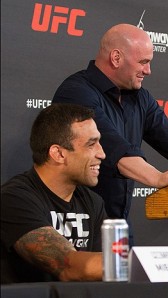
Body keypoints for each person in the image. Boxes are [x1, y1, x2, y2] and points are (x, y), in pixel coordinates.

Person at [52, 24, 168, 227]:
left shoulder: (140, 98)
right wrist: (157, 178)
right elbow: (112, 147)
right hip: (76, 224)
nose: (148, 71)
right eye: (143, 62)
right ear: (116, 58)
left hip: (118, 223)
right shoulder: (75, 92)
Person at [1, 103, 106, 283]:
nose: (102, 154)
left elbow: (107, 273)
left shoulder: (92, 201)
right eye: (91, 144)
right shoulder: (14, 199)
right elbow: (69, 267)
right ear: (58, 153)